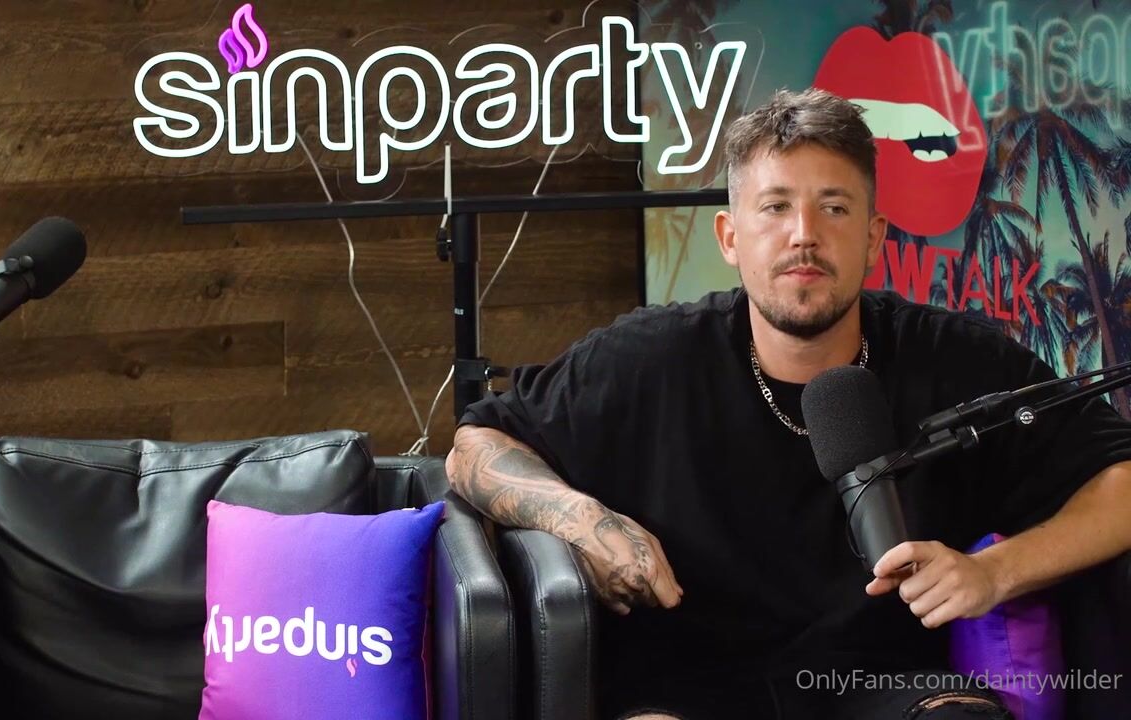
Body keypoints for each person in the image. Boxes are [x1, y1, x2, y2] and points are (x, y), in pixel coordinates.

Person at [445, 88, 1131, 719]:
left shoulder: (957, 359)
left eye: (834, 208)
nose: (804, 233)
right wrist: (582, 521)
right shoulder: (646, 360)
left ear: (873, 237)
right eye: (775, 207)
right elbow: (476, 446)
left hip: (884, 686)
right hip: (683, 690)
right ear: (730, 236)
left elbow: (1120, 481)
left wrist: (994, 573)